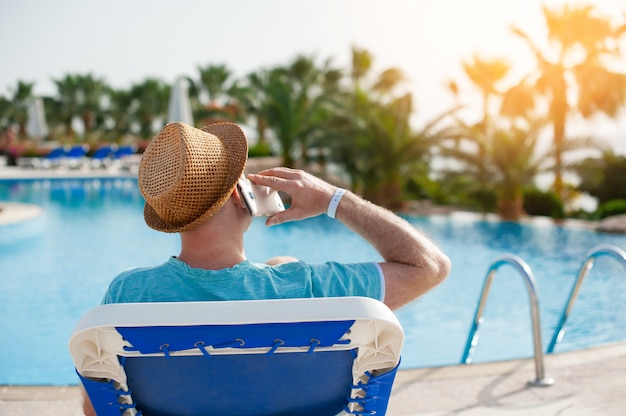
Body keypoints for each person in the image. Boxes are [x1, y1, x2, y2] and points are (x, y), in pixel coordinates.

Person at [83, 121, 450, 414]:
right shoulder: (307, 289)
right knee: (281, 264)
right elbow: (429, 265)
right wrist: (334, 199)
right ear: (235, 195)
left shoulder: (128, 296)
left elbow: (96, 408)